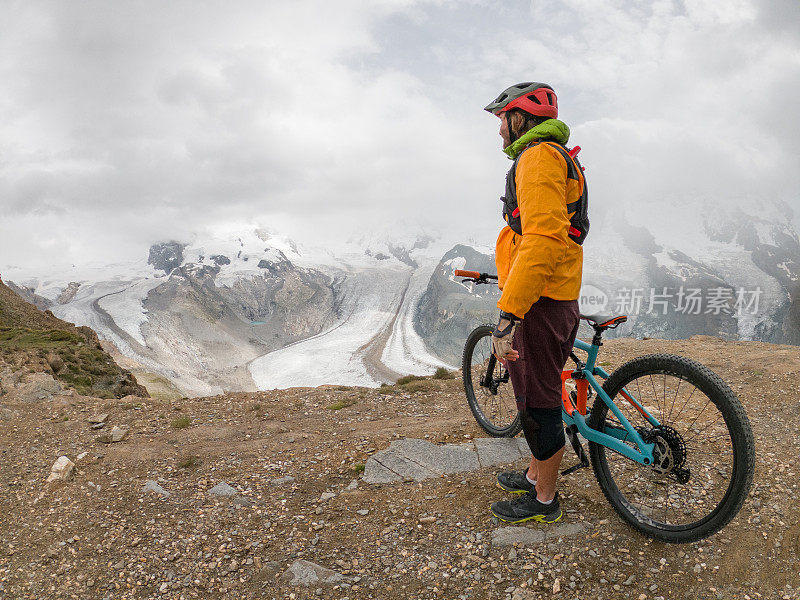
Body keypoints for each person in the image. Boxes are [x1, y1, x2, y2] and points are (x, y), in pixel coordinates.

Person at [484, 82, 585, 524]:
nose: (499, 130)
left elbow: (543, 239)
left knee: (539, 405)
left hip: (539, 303)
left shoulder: (538, 157)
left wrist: (510, 314)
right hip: (552, 294)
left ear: (520, 118)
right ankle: (533, 475)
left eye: (502, 119)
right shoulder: (552, 155)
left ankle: (544, 501)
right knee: (540, 394)